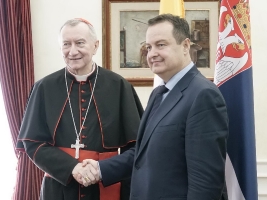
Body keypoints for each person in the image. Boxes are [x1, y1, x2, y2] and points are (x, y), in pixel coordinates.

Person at [83, 14, 229, 200]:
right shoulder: (158, 94)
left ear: (185, 46)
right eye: (148, 47)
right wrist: (100, 168)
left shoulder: (203, 95)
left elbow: (205, 182)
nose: (152, 54)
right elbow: (143, 152)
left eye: (161, 45)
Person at [16, 18, 143, 200]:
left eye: (80, 43)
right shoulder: (44, 87)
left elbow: (138, 146)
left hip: (106, 184)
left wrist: (102, 169)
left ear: (95, 45)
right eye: (66, 44)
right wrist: (72, 167)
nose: (73, 51)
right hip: (59, 187)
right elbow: (32, 143)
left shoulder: (119, 86)